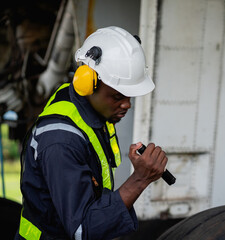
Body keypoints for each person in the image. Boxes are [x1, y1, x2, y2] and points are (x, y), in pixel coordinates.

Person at [15, 26, 168, 239]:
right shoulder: (61, 142)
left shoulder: (85, 110)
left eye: (129, 97)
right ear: (87, 83)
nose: (127, 105)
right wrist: (140, 179)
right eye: (118, 97)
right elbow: (82, 230)